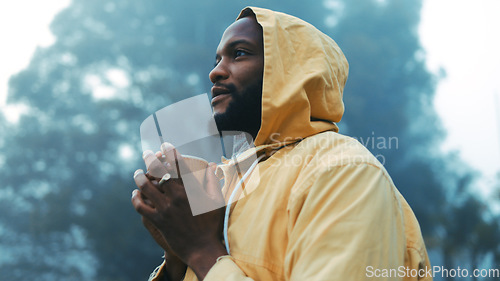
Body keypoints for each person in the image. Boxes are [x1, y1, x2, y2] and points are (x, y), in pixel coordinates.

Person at [132, 6, 432, 281]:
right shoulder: (227, 183)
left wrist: (200, 250)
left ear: (292, 72)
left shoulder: (343, 169)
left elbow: (208, 258)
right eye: (217, 59)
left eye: (239, 53)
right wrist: (177, 251)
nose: (216, 71)